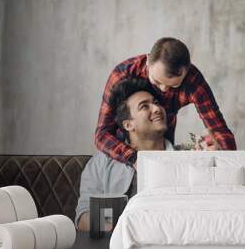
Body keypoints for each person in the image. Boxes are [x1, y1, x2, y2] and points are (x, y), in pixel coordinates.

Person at [95, 37, 236, 169]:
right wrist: (134, 159)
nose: (163, 90)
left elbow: (219, 130)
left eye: (173, 86)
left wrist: (223, 158)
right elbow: (102, 134)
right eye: (156, 81)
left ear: (186, 72)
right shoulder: (123, 74)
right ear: (148, 60)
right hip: (122, 150)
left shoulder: (193, 81)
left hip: (164, 147)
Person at [76, 77, 183, 231]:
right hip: (111, 248)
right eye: (144, 106)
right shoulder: (102, 162)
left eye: (156, 103)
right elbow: (83, 217)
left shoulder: (184, 160)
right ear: (128, 124)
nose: (156, 109)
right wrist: (119, 233)